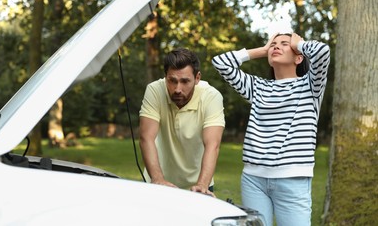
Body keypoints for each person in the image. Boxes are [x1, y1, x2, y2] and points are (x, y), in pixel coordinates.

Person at [212, 33, 330, 225]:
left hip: (293, 179)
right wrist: (263, 50)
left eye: (285, 44)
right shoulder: (258, 87)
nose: (277, 46)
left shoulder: (310, 86)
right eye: (273, 44)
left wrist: (298, 43)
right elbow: (221, 63)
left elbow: (323, 52)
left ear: (298, 57)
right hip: (253, 180)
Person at [139, 47, 225, 197]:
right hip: (158, 178)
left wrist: (202, 185)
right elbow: (147, 138)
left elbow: (213, 144)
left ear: (197, 78)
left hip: (200, 182)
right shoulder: (154, 90)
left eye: (185, 81)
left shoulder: (211, 96)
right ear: (165, 77)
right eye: (172, 81)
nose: (178, 89)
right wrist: (157, 178)